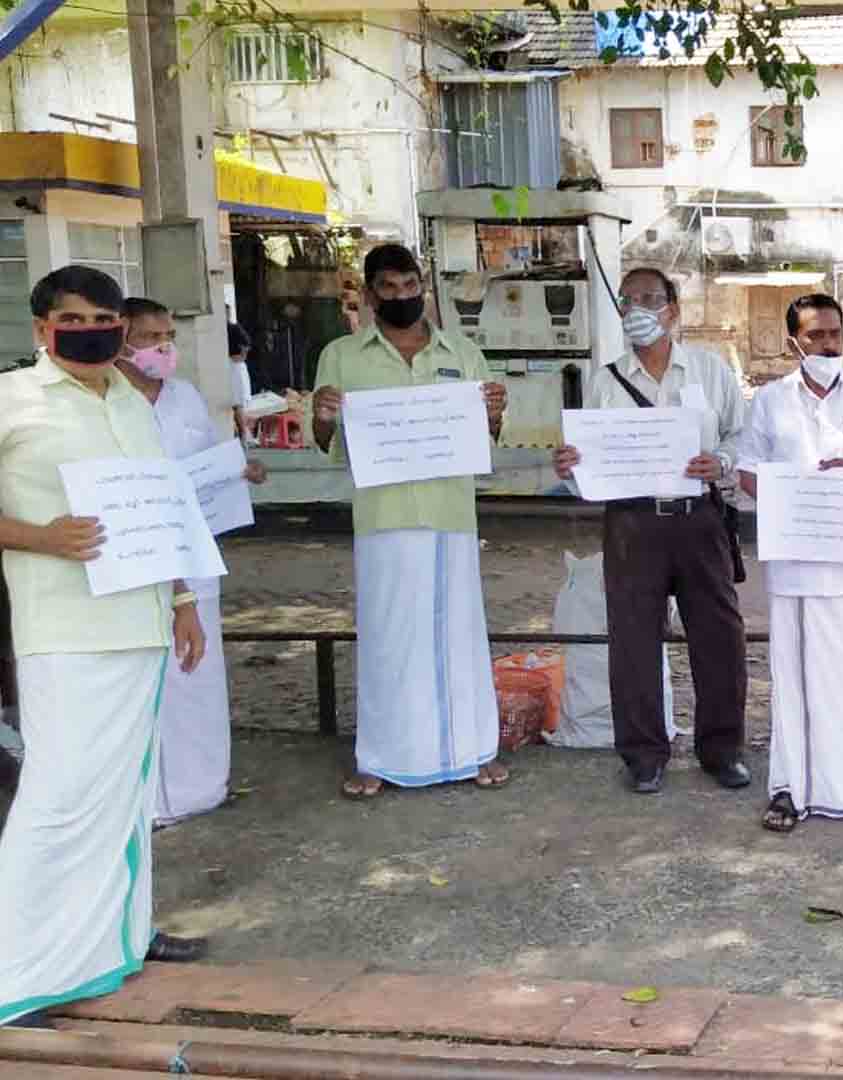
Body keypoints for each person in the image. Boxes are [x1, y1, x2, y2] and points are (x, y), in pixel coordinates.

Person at [0, 266, 210, 1028]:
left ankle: (119, 936)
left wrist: (183, 600)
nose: (92, 331)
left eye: (104, 319)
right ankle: (15, 969)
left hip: (141, 624)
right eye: (75, 319)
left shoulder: (131, 400)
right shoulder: (12, 399)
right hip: (64, 630)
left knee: (127, 793)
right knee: (58, 796)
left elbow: (158, 509)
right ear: (41, 328)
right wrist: (41, 538)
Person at [311, 245, 510, 800]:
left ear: (423, 286)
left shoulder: (462, 353)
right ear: (369, 294)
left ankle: (474, 750)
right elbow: (327, 443)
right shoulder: (341, 356)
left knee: (459, 636)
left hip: (450, 515)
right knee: (386, 637)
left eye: (409, 285)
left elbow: (487, 435)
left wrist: (494, 414)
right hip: (383, 518)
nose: (402, 296)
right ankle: (379, 757)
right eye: (389, 288)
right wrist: (322, 417)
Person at [552, 267, 750, 795]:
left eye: (650, 298)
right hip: (631, 524)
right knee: (634, 641)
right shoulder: (604, 381)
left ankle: (722, 750)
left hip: (700, 519)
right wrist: (570, 467)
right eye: (628, 300)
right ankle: (643, 756)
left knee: (719, 638)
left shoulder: (709, 371)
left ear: (673, 309)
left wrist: (722, 462)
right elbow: (587, 464)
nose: (638, 308)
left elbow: (741, 436)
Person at [736, 294, 843, 833]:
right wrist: (790, 498)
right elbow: (747, 471)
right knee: (793, 680)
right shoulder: (770, 401)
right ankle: (789, 789)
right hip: (795, 564)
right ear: (794, 343)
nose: (828, 344)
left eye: (835, 333)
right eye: (816, 336)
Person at [117, 299, 267, 826]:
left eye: (169, 335)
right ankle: (148, 799)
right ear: (121, 340)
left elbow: (207, 464)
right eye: (150, 337)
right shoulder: (105, 401)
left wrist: (239, 471)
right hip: (135, 556)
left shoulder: (185, 397)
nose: (164, 347)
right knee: (144, 675)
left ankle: (202, 786)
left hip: (195, 553)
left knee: (197, 671)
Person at [227, 323, 252, 441]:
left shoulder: (231, 328)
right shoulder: (235, 367)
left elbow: (246, 342)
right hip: (232, 364)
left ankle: (243, 434)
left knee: (238, 403)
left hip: (234, 365)